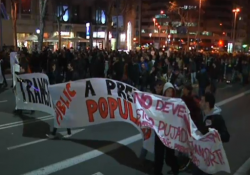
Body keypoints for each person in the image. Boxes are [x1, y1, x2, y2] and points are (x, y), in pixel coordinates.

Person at [192, 92, 230, 175]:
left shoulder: (217, 118)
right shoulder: (202, 115)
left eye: (202, 101)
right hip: (199, 155)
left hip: (209, 159)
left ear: (207, 104)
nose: (199, 102)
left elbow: (226, 136)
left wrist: (215, 135)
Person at [154, 82, 179, 175]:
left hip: (170, 134)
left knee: (170, 156)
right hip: (159, 133)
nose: (169, 93)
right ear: (164, 92)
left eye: (171, 91)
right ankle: (157, 172)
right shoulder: (159, 101)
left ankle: (175, 169)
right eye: (167, 91)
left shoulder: (176, 104)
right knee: (158, 156)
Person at [139, 79, 164, 165]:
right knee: (147, 139)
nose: (159, 89)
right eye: (158, 87)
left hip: (159, 124)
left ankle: (157, 162)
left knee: (158, 144)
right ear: (154, 87)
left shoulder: (164, 97)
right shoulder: (151, 96)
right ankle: (141, 159)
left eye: (161, 87)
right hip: (151, 122)